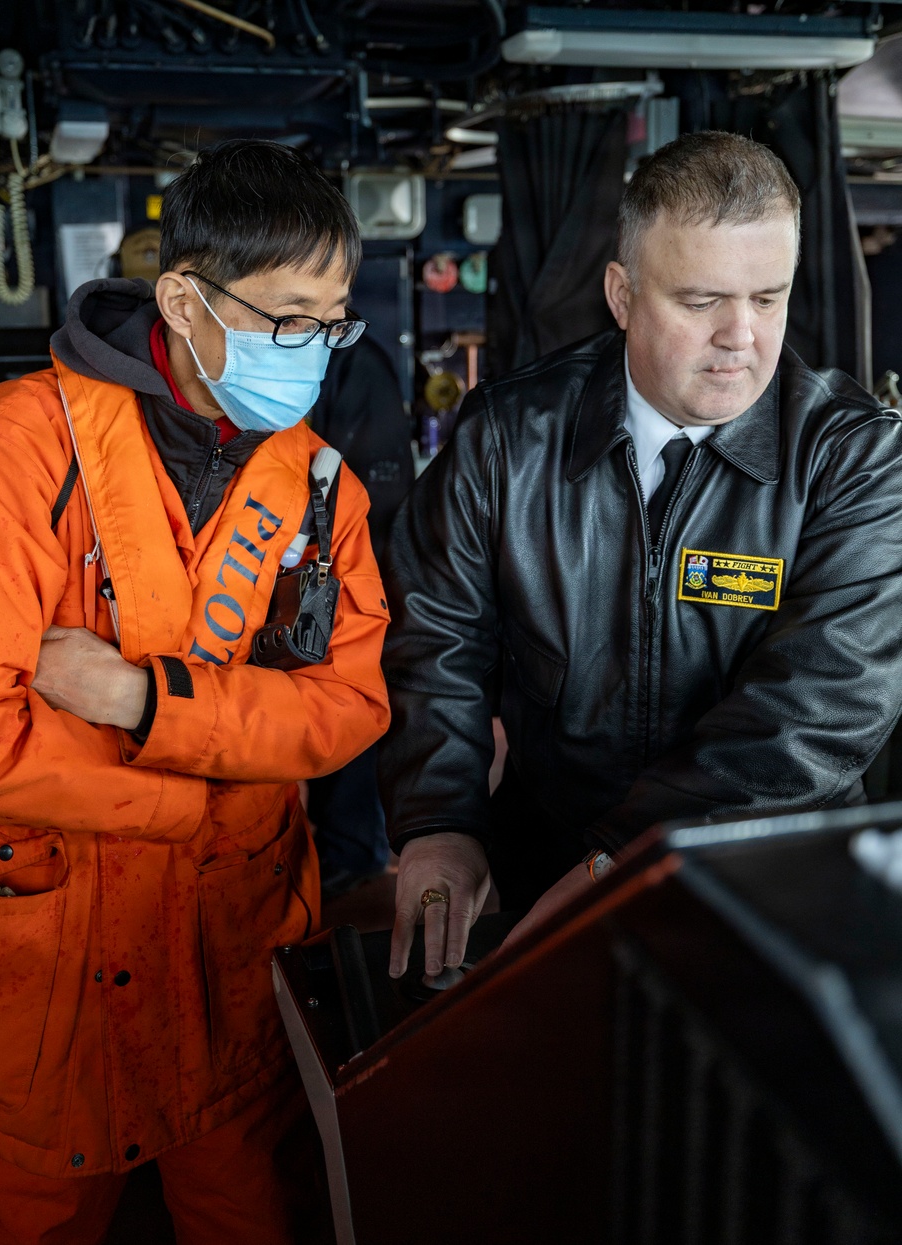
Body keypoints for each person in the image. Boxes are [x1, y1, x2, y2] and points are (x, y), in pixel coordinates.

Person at [0, 139, 390, 1244]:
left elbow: (349, 707)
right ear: (183, 298)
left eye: (333, 321)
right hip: (29, 997)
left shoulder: (319, 489)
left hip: (224, 981)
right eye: (285, 318)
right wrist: (193, 799)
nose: (312, 350)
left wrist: (137, 700)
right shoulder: (16, 452)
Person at [379, 130, 902, 982]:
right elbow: (435, 638)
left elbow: (820, 708)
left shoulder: (853, 458)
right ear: (622, 294)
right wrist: (439, 819)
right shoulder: (509, 437)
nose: (743, 337)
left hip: (767, 886)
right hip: (547, 865)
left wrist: (621, 862)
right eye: (701, 301)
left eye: (768, 298)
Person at [307, 333, 414, 897]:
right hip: (294, 561)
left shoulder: (354, 363)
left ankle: (354, 846)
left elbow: (382, 489)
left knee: (346, 691)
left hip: (353, 560)